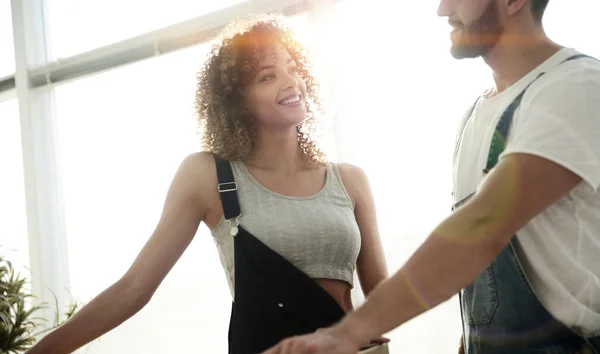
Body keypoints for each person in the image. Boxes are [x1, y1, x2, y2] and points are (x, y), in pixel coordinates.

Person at [25, 15, 389, 354]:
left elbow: (386, 300)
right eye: (267, 76)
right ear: (237, 101)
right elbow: (134, 288)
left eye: (293, 69)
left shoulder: (349, 181)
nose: (291, 82)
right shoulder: (209, 177)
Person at [262, 0, 600, 353]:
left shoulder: (574, 88)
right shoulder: (476, 115)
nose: (443, 10)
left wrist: (347, 333)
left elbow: (482, 225)